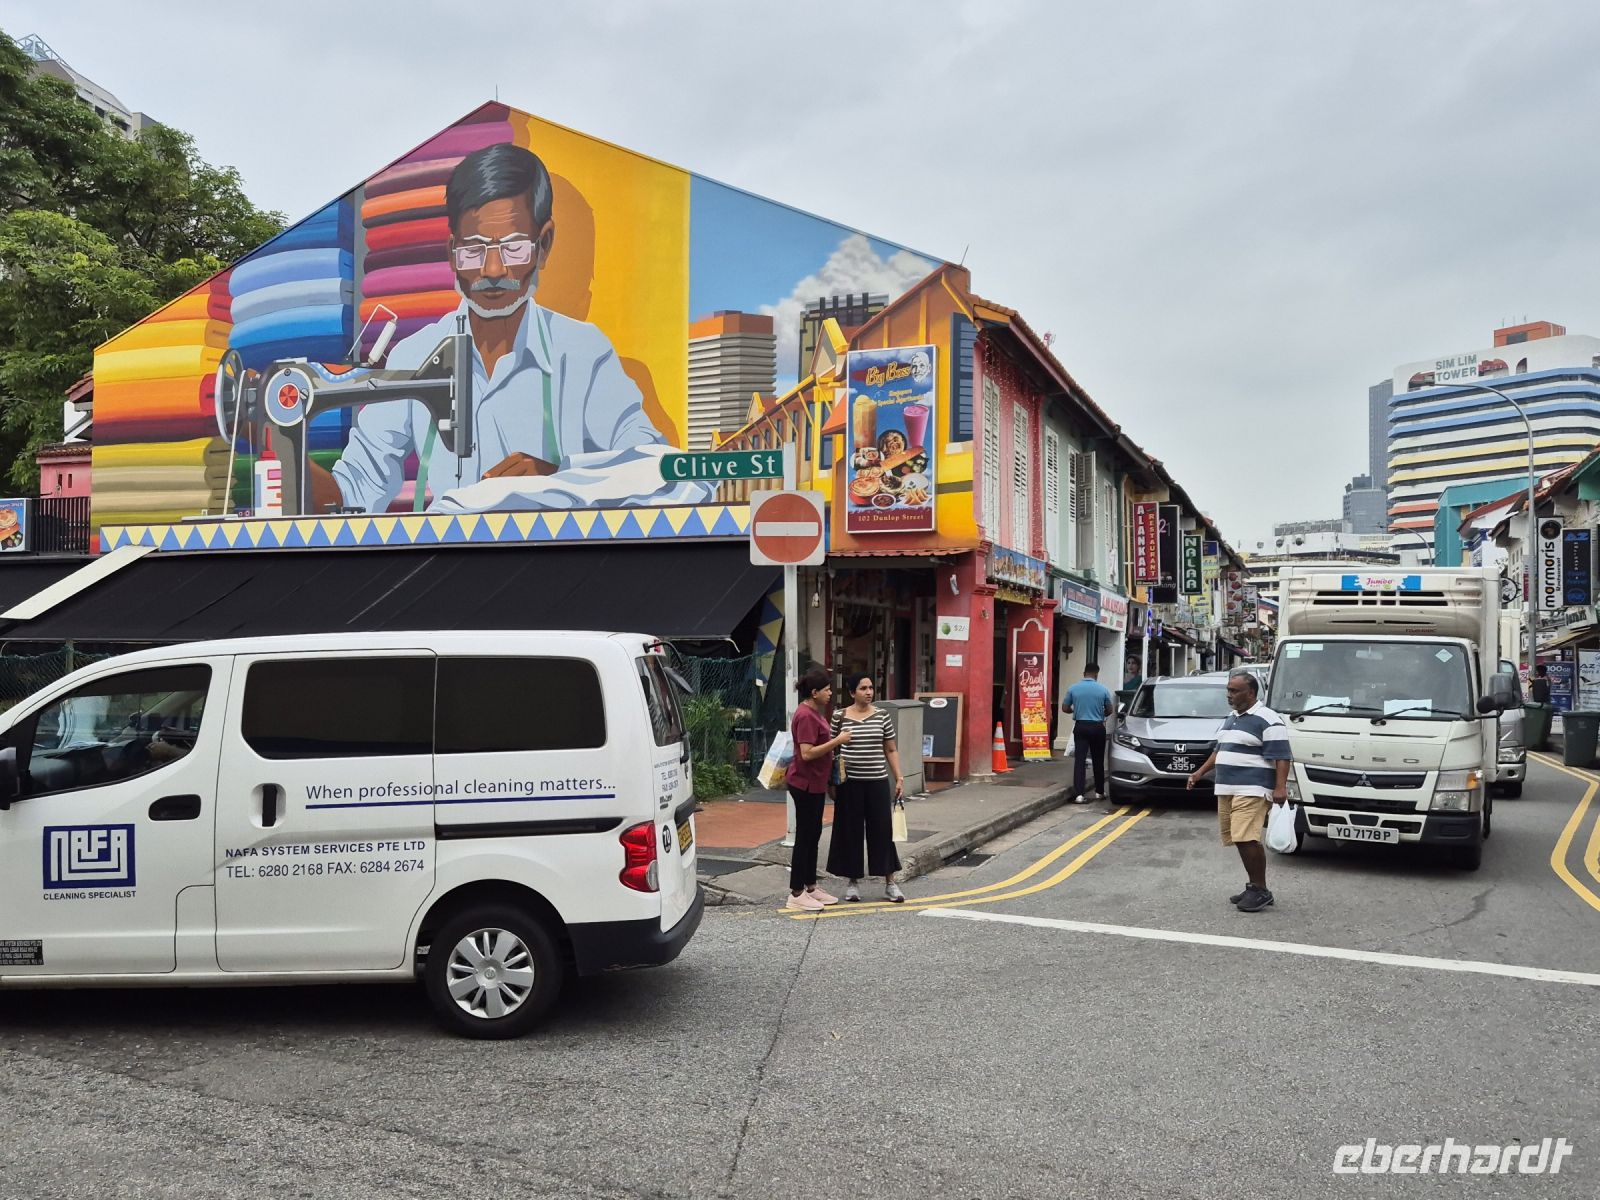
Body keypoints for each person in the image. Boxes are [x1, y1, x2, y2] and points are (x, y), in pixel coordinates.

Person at [315, 142, 713, 515]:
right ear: (450, 253)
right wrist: (278, 444)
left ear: (545, 244)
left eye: (514, 248)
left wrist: (559, 478)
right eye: (473, 250)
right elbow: (353, 494)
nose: (492, 271)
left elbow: (667, 477)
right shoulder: (415, 357)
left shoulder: (582, 354)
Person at [1186, 670, 1291, 913]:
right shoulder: (1232, 717)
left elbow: (1282, 756)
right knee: (1237, 837)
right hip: (1227, 787)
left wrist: (1280, 787)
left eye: (1234, 690)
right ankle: (1254, 885)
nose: (1228, 695)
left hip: (1252, 787)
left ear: (1251, 692)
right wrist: (1199, 773)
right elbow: (1218, 751)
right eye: (1228, 690)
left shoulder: (1268, 718)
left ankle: (1261, 890)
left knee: (1245, 837)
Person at [826, 673, 906, 902]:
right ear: (852, 692)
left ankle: (890, 882)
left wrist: (899, 777)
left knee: (881, 831)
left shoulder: (882, 716)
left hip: (877, 782)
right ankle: (853, 882)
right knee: (850, 831)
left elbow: (890, 749)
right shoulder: (840, 717)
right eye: (863, 688)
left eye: (870, 688)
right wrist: (830, 782)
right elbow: (832, 750)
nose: (869, 692)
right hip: (849, 784)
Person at [783, 668, 854, 913]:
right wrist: (837, 741)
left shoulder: (815, 712)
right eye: (826, 690)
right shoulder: (805, 716)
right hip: (804, 784)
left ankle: (811, 887)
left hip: (815, 784)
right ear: (814, 693)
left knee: (812, 837)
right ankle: (796, 892)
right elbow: (807, 752)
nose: (830, 693)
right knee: (805, 838)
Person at [1061, 662, 1115, 804]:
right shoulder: (1102, 689)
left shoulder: (1073, 688)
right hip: (1097, 727)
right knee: (1098, 760)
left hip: (1081, 726)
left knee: (1080, 760)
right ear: (1096, 674)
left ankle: (1079, 794)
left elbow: (1065, 707)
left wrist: (1076, 710)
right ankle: (1099, 792)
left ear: (1084, 673)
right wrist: (1100, 713)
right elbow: (1110, 710)